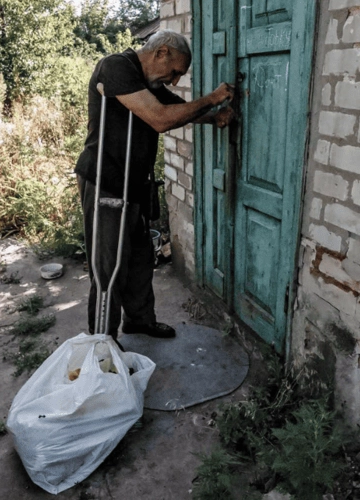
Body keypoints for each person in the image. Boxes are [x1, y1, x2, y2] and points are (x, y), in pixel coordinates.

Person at [75, 30, 234, 341]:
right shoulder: (116, 67)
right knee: (108, 266)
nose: (174, 80)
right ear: (162, 52)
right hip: (106, 181)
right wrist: (212, 98)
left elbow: (179, 110)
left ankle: (139, 321)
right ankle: (101, 340)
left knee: (139, 258)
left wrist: (212, 116)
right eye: (175, 72)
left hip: (134, 183)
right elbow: (161, 119)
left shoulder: (150, 82)